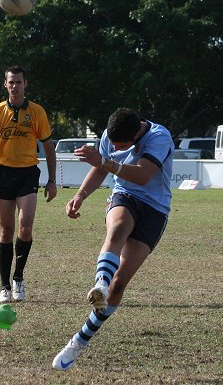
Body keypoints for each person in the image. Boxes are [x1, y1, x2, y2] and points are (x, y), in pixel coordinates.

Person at [52, 107, 174, 370]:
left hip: (155, 210)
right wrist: (80, 196)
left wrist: (105, 162)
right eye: (114, 145)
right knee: (117, 228)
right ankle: (100, 283)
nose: (116, 147)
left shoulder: (159, 136)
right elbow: (101, 169)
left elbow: (142, 175)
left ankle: (80, 340)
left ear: (136, 136)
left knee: (120, 285)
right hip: (124, 196)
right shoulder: (110, 134)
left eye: (122, 146)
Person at [0, 65, 57, 303]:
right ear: (5, 85)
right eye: (11, 82)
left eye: (19, 82)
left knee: (25, 227)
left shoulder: (37, 112)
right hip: (4, 174)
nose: (15, 86)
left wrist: (51, 180)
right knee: (6, 230)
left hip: (28, 173)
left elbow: (48, 147)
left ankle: (18, 278)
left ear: (25, 84)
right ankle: (4, 286)